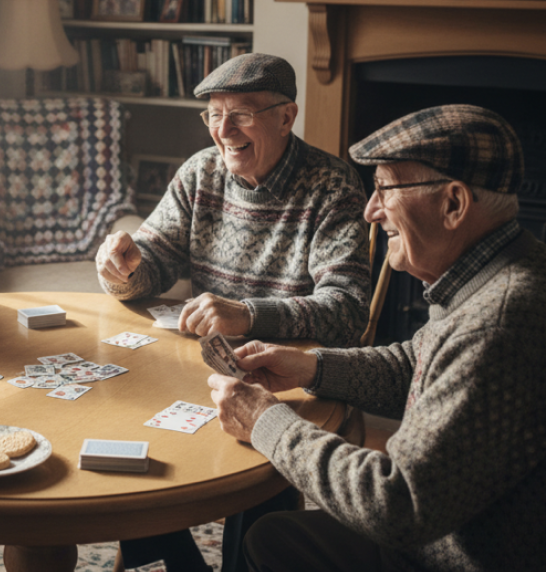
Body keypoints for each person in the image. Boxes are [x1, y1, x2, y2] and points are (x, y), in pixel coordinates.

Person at [210, 104, 546, 570]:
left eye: (385, 188)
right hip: (456, 533)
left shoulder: (498, 321)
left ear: (453, 204)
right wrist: (311, 367)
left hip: (455, 556)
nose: (371, 210)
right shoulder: (500, 270)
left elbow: (397, 504)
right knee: (273, 536)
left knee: (272, 543)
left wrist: (265, 421)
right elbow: (421, 362)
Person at [95, 53, 371, 572]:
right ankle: (173, 552)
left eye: (241, 113)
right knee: (132, 429)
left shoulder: (332, 186)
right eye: (214, 115)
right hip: (198, 364)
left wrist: (248, 314)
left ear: (286, 116)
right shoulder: (200, 171)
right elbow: (153, 259)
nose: (224, 130)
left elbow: (347, 311)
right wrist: (125, 268)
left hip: (286, 374)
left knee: (255, 484)